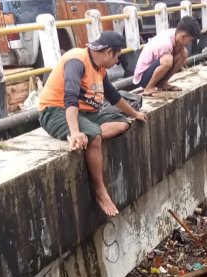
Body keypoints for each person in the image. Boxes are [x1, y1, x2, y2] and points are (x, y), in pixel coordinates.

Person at [38, 31, 147, 217]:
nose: (117, 63)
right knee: (94, 136)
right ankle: (100, 191)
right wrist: (74, 131)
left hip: (87, 113)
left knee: (123, 124)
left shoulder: (100, 69)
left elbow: (114, 97)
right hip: (56, 111)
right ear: (108, 52)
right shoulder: (77, 60)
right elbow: (70, 98)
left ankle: (89, 134)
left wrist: (135, 113)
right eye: (117, 57)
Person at [133, 16, 201, 96]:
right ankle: (148, 88)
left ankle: (163, 84)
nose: (190, 43)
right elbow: (166, 61)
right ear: (183, 36)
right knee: (167, 60)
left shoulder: (175, 35)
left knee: (183, 53)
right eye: (190, 40)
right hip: (143, 77)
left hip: (153, 72)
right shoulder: (166, 42)